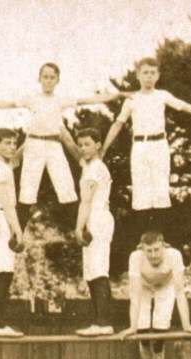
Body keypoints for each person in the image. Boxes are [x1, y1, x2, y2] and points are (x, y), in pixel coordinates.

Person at [0, 63, 121, 231]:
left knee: (66, 187)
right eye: (45, 77)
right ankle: (16, 234)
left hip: (54, 146)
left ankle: (82, 230)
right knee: (27, 191)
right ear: (39, 78)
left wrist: (117, 95)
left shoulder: (60, 99)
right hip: (34, 145)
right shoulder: (32, 98)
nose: (48, 80)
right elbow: (4, 105)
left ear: (57, 80)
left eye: (52, 77)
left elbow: (87, 100)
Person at [101, 57, 191, 246]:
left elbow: (188, 108)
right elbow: (118, 124)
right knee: (141, 189)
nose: (149, 77)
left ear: (158, 75)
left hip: (159, 145)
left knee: (160, 188)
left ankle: (160, 238)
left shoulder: (162, 95)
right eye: (145, 73)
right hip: (140, 146)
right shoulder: (132, 99)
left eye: (152, 73)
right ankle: (143, 239)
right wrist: (103, 149)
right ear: (138, 75)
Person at [120, 231, 191, 359]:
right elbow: (135, 295)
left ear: (164, 246)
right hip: (144, 286)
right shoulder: (136, 257)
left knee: (162, 319)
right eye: (149, 251)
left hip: (165, 285)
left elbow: (180, 293)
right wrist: (133, 327)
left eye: (156, 249)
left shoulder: (174, 255)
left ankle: (158, 350)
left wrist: (187, 325)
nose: (153, 254)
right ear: (142, 249)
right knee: (141, 321)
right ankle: (143, 344)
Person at [64, 127, 114, 337]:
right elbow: (69, 143)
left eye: (88, 144)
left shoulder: (95, 168)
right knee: (93, 271)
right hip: (94, 217)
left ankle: (104, 322)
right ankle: (98, 320)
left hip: (97, 217)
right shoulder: (89, 166)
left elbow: (86, 201)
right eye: (81, 144)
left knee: (98, 270)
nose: (83, 148)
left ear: (98, 145)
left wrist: (78, 227)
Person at [0, 128, 27, 338]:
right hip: (1, 217)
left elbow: (18, 156)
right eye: (7, 143)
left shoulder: (5, 166)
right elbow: (8, 205)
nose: (11, 147)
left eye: (13, 143)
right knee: (4, 271)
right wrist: (18, 231)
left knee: (2, 270)